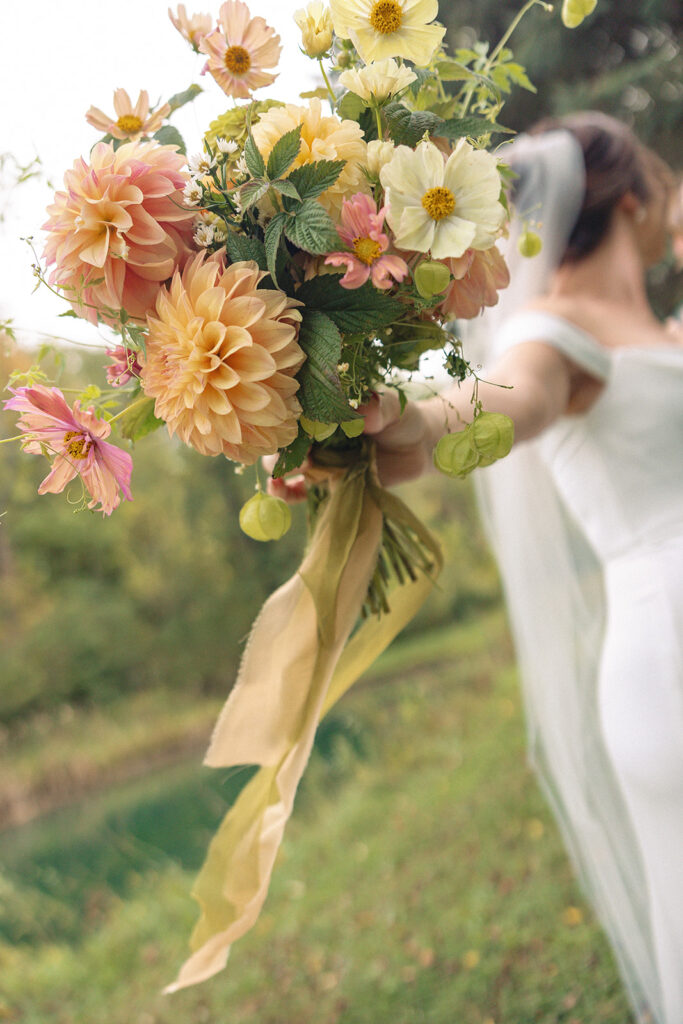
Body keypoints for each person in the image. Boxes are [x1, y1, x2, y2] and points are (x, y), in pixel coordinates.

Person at [357, 114, 683, 1024]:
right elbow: (501, 401)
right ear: (632, 197)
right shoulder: (551, 329)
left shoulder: (654, 327)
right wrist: (409, 429)